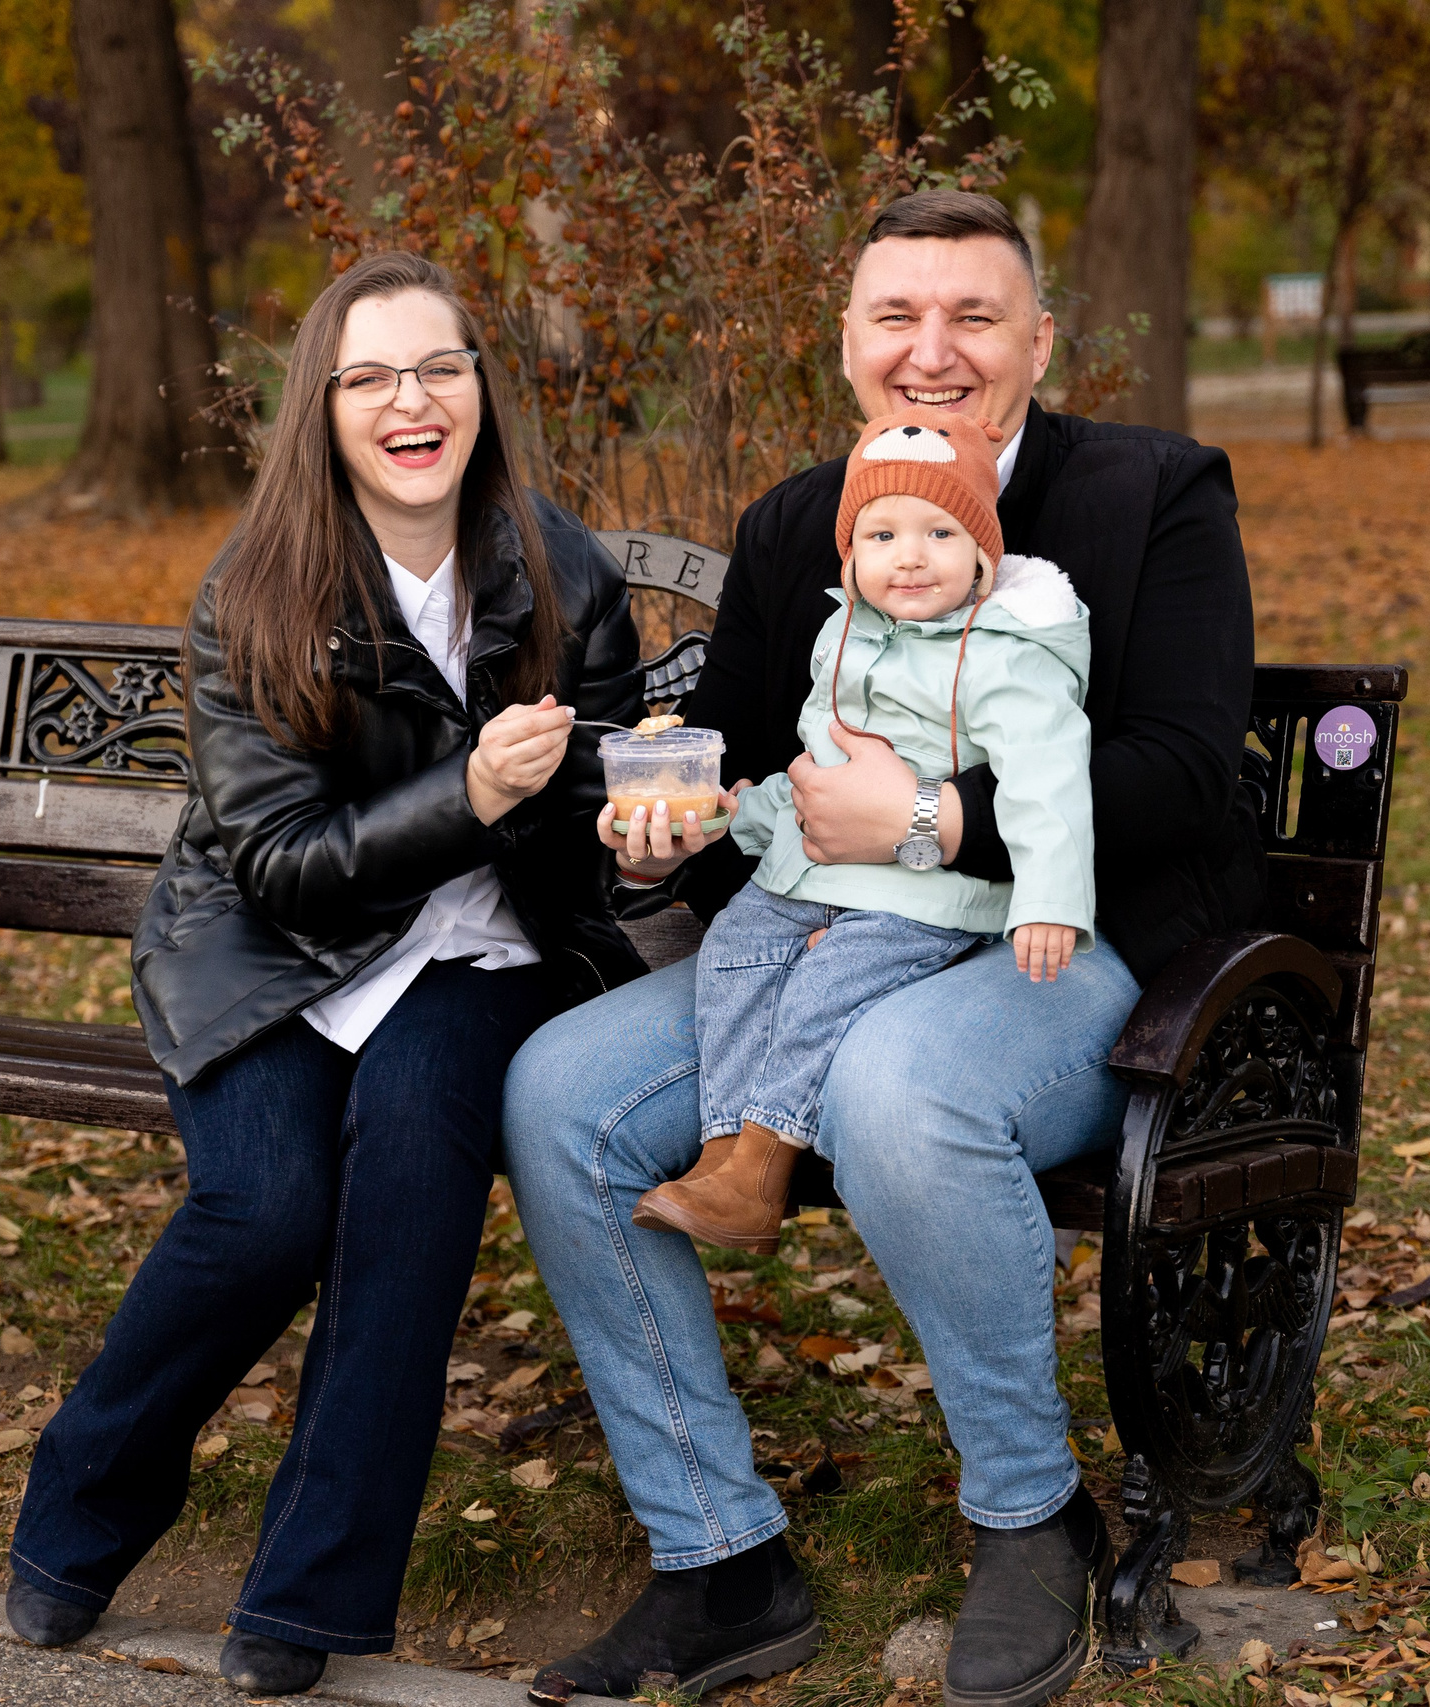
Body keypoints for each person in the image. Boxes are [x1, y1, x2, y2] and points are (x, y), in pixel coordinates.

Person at [504, 191, 1261, 1707]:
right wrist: (679, 819)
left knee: (900, 1081)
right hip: (832, 935)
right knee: (560, 1090)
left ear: (1036, 341)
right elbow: (761, 754)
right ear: (848, 344)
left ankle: (1029, 1514)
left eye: (974, 316)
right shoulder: (801, 520)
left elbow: (1187, 764)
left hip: (1075, 944)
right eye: (896, 318)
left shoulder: (1154, 491)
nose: (935, 350)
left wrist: (931, 815)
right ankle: (718, 1555)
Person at [5, 250, 646, 1696]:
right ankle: (74, 1519)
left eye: (438, 368)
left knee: (412, 1172)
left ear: (481, 386)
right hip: (269, 951)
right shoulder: (258, 586)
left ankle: (309, 1592)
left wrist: (637, 828)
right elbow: (282, 862)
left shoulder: (566, 571)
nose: (410, 401)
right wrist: (470, 793)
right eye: (371, 377)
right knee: (264, 1203)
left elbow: (600, 819)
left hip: (482, 949)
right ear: (326, 406)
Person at [629, 403, 1093, 1255]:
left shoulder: (1007, 653)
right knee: (733, 946)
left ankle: (765, 1159)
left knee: (827, 980)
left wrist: (1050, 900)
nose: (909, 556)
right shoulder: (839, 635)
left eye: (939, 533)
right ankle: (727, 1149)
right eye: (880, 536)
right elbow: (819, 760)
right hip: (817, 871)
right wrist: (751, 813)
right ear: (850, 554)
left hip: (928, 890)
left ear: (983, 558)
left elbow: (1050, 782)